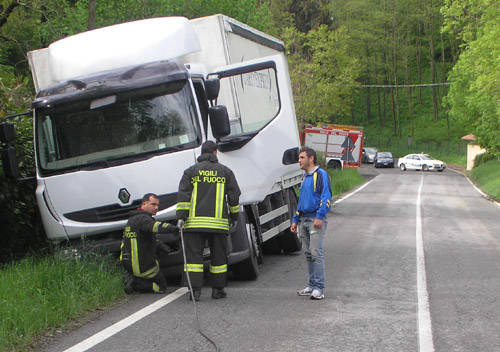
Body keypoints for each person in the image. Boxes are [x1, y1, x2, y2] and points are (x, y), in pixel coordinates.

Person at [177, 140, 241, 301]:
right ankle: (218, 290)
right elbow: (234, 197)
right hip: (218, 225)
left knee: (194, 259)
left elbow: (183, 196)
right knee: (219, 258)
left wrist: (181, 217)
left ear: (201, 153)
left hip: (194, 225)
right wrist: (234, 217)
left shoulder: (190, 172)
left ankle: (195, 291)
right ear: (215, 152)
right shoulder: (225, 172)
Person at [290, 147, 332, 300]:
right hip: (303, 219)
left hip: (315, 219)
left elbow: (326, 196)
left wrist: (320, 216)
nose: (299, 161)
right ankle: (311, 285)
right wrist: (295, 219)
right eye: (299, 158)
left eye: (302, 158)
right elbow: (301, 201)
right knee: (308, 254)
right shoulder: (306, 177)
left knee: (316, 253)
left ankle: (319, 288)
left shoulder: (320, 175)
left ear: (311, 158)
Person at [120, 193, 179, 294]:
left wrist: (159, 245)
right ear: (144, 204)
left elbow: (142, 238)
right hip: (143, 265)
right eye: (153, 204)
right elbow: (156, 227)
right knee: (161, 287)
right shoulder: (144, 219)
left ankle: (135, 278)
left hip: (128, 263)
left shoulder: (132, 219)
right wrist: (175, 228)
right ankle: (137, 284)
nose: (156, 208)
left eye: (157, 205)